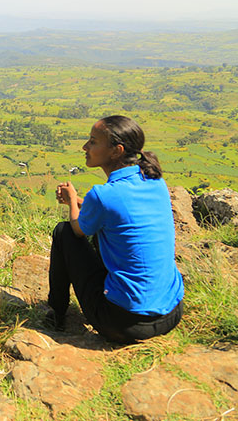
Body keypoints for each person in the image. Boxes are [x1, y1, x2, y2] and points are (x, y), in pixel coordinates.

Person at [47, 115, 184, 343]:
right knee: (106, 233)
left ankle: (56, 315)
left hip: (125, 324)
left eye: (93, 142)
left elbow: (78, 230)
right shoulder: (154, 181)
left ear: (116, 151)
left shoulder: (103, 195)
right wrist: (82, 201)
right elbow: (117, 211)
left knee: (64, 232)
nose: (85, 147)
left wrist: (72, 202)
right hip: (171, 314)